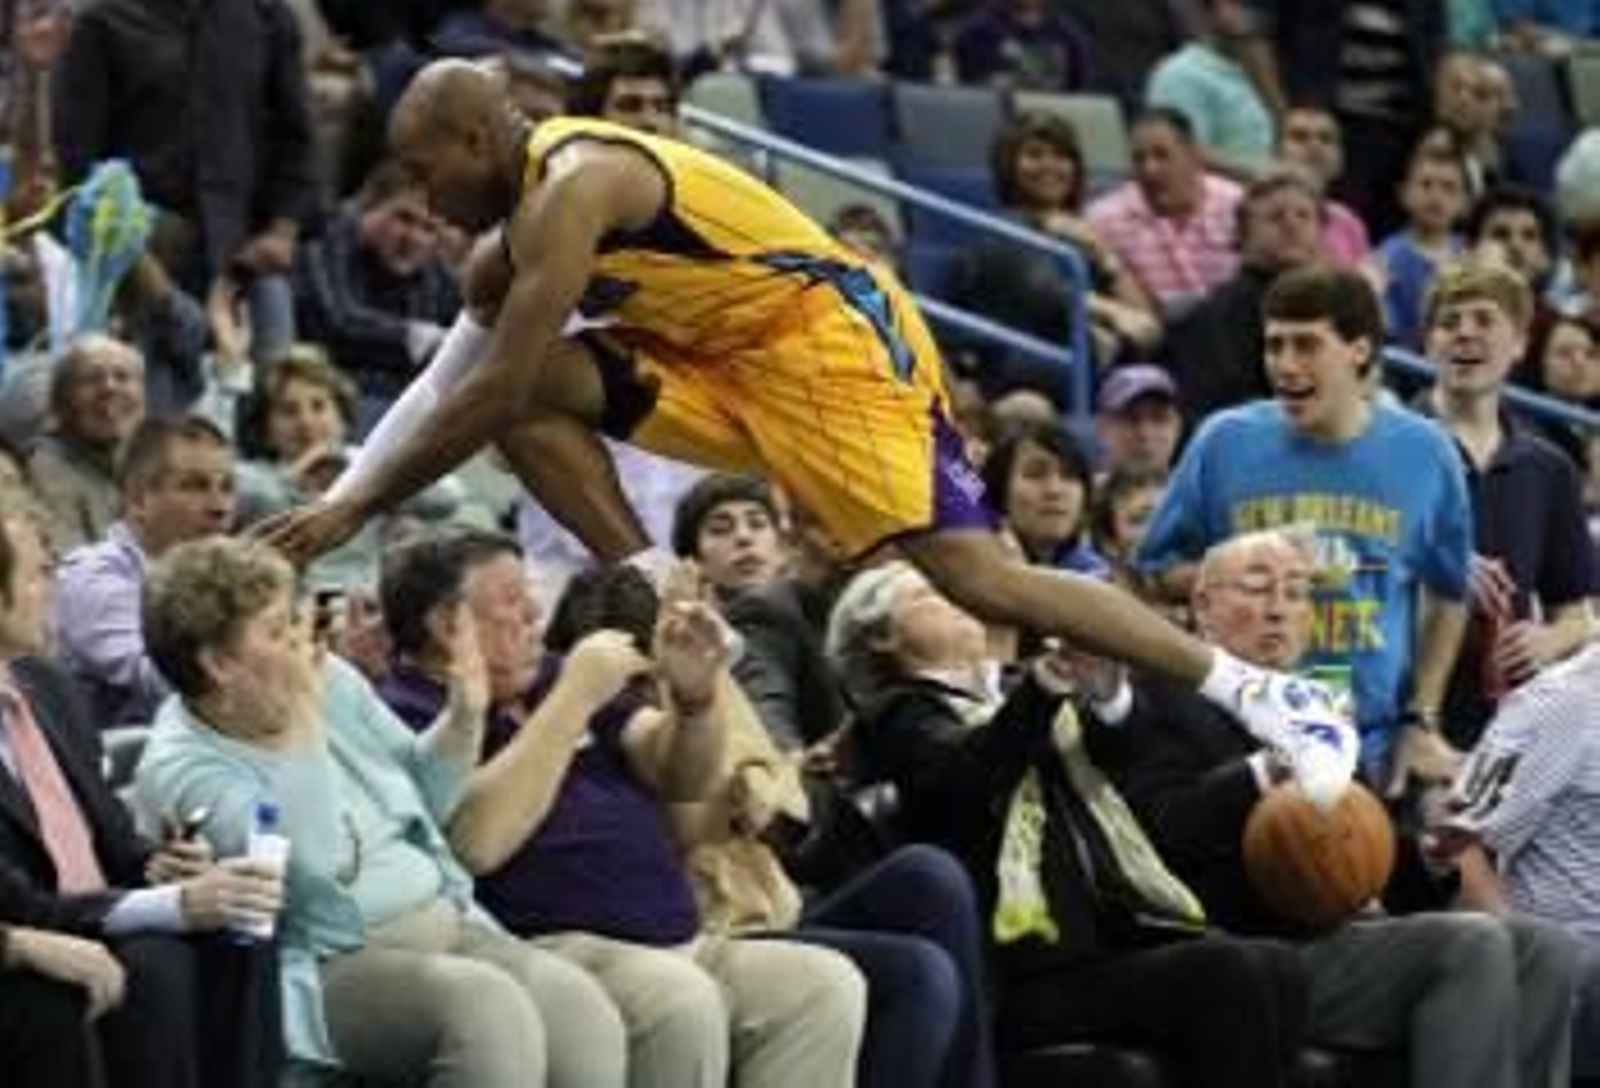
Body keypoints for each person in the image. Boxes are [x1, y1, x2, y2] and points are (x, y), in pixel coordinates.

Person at [262, 59, 1360, 800]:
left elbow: (484, 392)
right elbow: (458, 379)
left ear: (471, 135)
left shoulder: (574, 184)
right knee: (536, 387)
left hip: (833, 344)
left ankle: (1260, 691)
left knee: (983, 582)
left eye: (421, 169)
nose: (415, 192)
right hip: (731, 363)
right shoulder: (505, 246)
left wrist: (356, 504)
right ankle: (663, 583)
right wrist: (345, 491)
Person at [134, 535, 629, 1086]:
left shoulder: (334, 682)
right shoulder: (181, 767)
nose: (304, 640)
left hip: (442, 918)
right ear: (219, 663)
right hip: (328, 964)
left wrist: (464, 715)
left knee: (578, 1008)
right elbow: (311, 868)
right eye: (278, 632)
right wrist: (301, 719)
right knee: (484, 1010)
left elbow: (426, 793)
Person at [1102, 528, 1579, 1088]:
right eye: (1256, 588)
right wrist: (1263, 772)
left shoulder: (1317, 708)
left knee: (1548, 949)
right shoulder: (1163, 698)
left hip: (1342, 934)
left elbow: (1368, 852)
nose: (1279, 608)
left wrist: (1433, 856)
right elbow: (1158, 829)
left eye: (1298, 592)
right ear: (1203, 609)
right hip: (1248, 951)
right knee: (1470, 945)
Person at [829, 558, 1312, 1086]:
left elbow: (1120, 758)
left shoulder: (1019, 691)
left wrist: (1107, 694)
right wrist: (1045, 685)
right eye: (929, 592)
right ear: (880, 638)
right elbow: (968, 777)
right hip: (1028, 969)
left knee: (1276, 965)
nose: (956, 593)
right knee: (1230, 973)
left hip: (1115, 935)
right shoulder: (896, 714)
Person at [1138, 265, 1471, 788]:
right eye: (1275, 346)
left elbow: (1450, 595)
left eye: (1306, 345)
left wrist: (1421, 718)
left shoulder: (1428, 451)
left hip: (1372, 740)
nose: (1285, 365)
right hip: (1239, 735)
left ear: (1359, 350)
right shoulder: (1224, 441)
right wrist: (1251, 567)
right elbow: (1155, 573)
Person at [0, 493, 287, 1088]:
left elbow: (111, 840)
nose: (54, 587)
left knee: (243, 931)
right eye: (39, 573)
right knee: (158, 961)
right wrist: (173, 906)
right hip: (35, 927)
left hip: (94, 913)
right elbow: (21, 904)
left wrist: (162, 866)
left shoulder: (47, 686)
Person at [1415, 261, 1595, 749]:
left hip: (1506, 725)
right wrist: (1442, 568)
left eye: (1484, 320)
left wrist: (1547, 641)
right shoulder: (1387, 446)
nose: (1465, 334)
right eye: (1450, 323)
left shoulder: (1551, 467)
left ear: (1519, 344)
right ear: (1429, 343)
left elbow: (1577, 615)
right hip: (1402, 710)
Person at [53, 416, 236, 729]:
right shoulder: (95, 574)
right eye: (195, 486)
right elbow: (160, 682)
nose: (220, 507)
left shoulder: (222, 572)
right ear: (138, 500)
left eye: (227, 487)